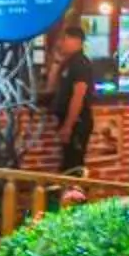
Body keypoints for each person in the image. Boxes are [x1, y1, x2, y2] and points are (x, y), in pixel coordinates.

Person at [44, 21, 97, 175]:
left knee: (74, 162)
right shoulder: (68, 63)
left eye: (65, 39)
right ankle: (68, 196)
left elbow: (79, 95)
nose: (62, 43)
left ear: (76, 41)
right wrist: (56, 63)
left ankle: (77, 196)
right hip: (67, 120)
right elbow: (50, 87)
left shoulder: (81, 63)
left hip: (77, 122)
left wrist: (68, 125)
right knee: (67, 161)